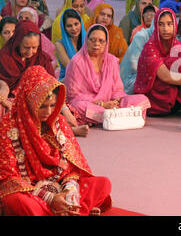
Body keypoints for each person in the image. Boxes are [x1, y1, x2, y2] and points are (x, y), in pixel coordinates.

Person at [0, 66, 113, 216]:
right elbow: (8, 179)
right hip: (31, 192)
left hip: (60, 187)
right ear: (29, 102)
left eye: (52, 105)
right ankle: (77, 211)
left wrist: (70, 192)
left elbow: (71, 168)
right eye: (42, 107)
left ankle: (70, 208)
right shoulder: (8, 126)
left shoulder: (58, 123)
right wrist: (50, 198)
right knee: (15, 200)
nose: (48, 112)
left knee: (103, 184)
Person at [64, 24, 150, 126]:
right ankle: (119, 117)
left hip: (111, 103)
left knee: (141, 99)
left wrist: (115, 101)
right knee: (79, 106)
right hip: (90, 104)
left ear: (106, 43)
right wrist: (102, 104)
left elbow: (118, 89)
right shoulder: (76, 62)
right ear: (86, 40)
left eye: (101, 41)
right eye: (92, 40)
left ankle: (108, 118)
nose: (96, 44)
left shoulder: (112, 60)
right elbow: (74, 95)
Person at [134, 8, 181, 116]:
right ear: (156, 26)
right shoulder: (150, 48)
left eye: (169, 24)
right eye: (161, 24)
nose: (165, 29)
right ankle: (175, 104)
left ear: (174, 25)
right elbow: (166, 76)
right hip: (155, 97)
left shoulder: (176, 45)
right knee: (171, 64)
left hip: (174, 88)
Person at [0, 21, 55, 94]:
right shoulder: (4, 58)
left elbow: (52, 83)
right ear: (17, 43)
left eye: (34, 47)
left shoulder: (42, 58)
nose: (30, 52)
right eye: (26, 47)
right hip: (10, 100)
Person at [55, 9, 86, 81]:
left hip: (87, 79)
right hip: (68, 81)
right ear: (64, 28)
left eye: (76, 24)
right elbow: (70, 67)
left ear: (81, 23)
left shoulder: (88, 40)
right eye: (69, 26)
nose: (74, 28)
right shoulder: (59, 44)